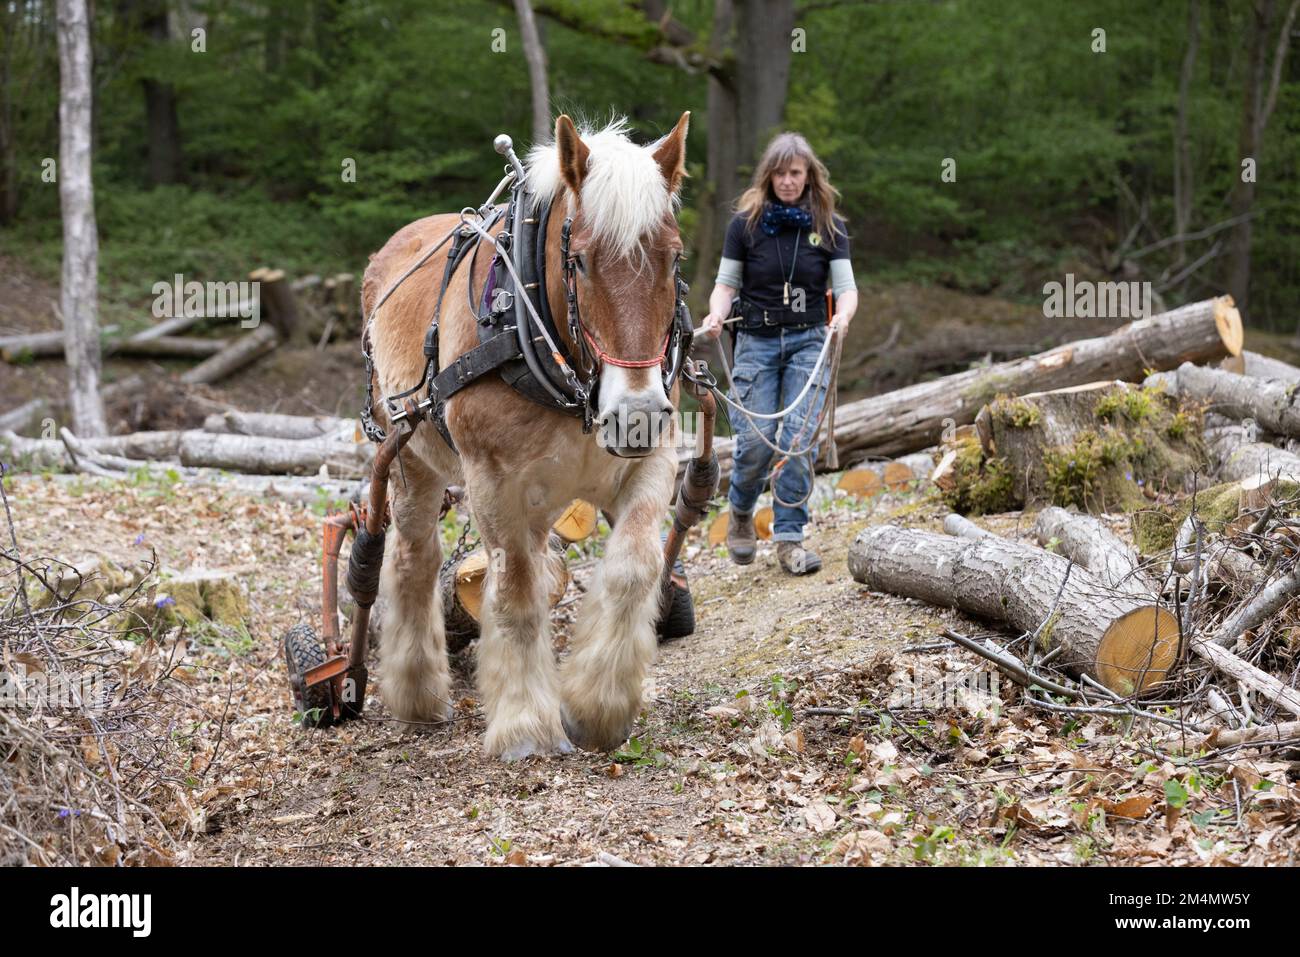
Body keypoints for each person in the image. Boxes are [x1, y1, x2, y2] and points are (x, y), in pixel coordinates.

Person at [697, 132, 859, 575]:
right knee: (752, 446)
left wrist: (842, 317)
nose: (788, 181)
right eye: (780, 173)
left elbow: (845, 289)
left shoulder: (829, 226)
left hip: (810, 342)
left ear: (808, 176)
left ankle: (790, 538)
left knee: (796, 442)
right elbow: (725, 286)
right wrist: (715, 316)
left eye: (796, 173)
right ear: (768, 175)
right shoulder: (744, 226)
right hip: (756, 343)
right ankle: (743, 513)